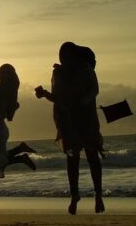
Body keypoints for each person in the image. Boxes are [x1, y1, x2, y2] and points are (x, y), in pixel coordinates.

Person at [35, 42, 105, 215]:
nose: (62, 58)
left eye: (65, 55)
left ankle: (98, 195)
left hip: (86, 118)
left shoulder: (86, 69)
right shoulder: (57, 73)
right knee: (72, 159)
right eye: (61, 55)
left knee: (92, 155)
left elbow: (94, 90)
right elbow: (56, 98)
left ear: (73, 55)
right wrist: (44, 94)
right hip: (67, 121)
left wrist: (83, 102)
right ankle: (75, 195)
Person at [0, 64, 37, 177]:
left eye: (6, 73)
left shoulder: (2, 90)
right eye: (3, 73)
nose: (3, 76)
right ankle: (21, 151)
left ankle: (22, 155)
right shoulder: (5, 90)